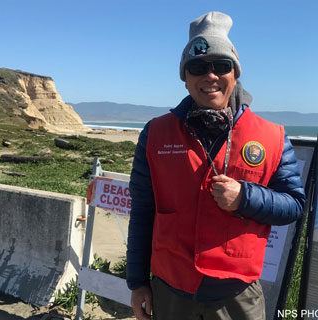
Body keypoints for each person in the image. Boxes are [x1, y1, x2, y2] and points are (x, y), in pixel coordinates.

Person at [125, 11, 306, 320]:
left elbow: (294, 205)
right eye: (197, 67)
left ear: (235, 74)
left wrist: (245, 198)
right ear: (185, 78)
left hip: (238, 295)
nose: (209, 76)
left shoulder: (272, 136)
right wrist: (138, 282)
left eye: (221, 66)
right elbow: (143, 210)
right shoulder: (155, 133)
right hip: (171, 292)